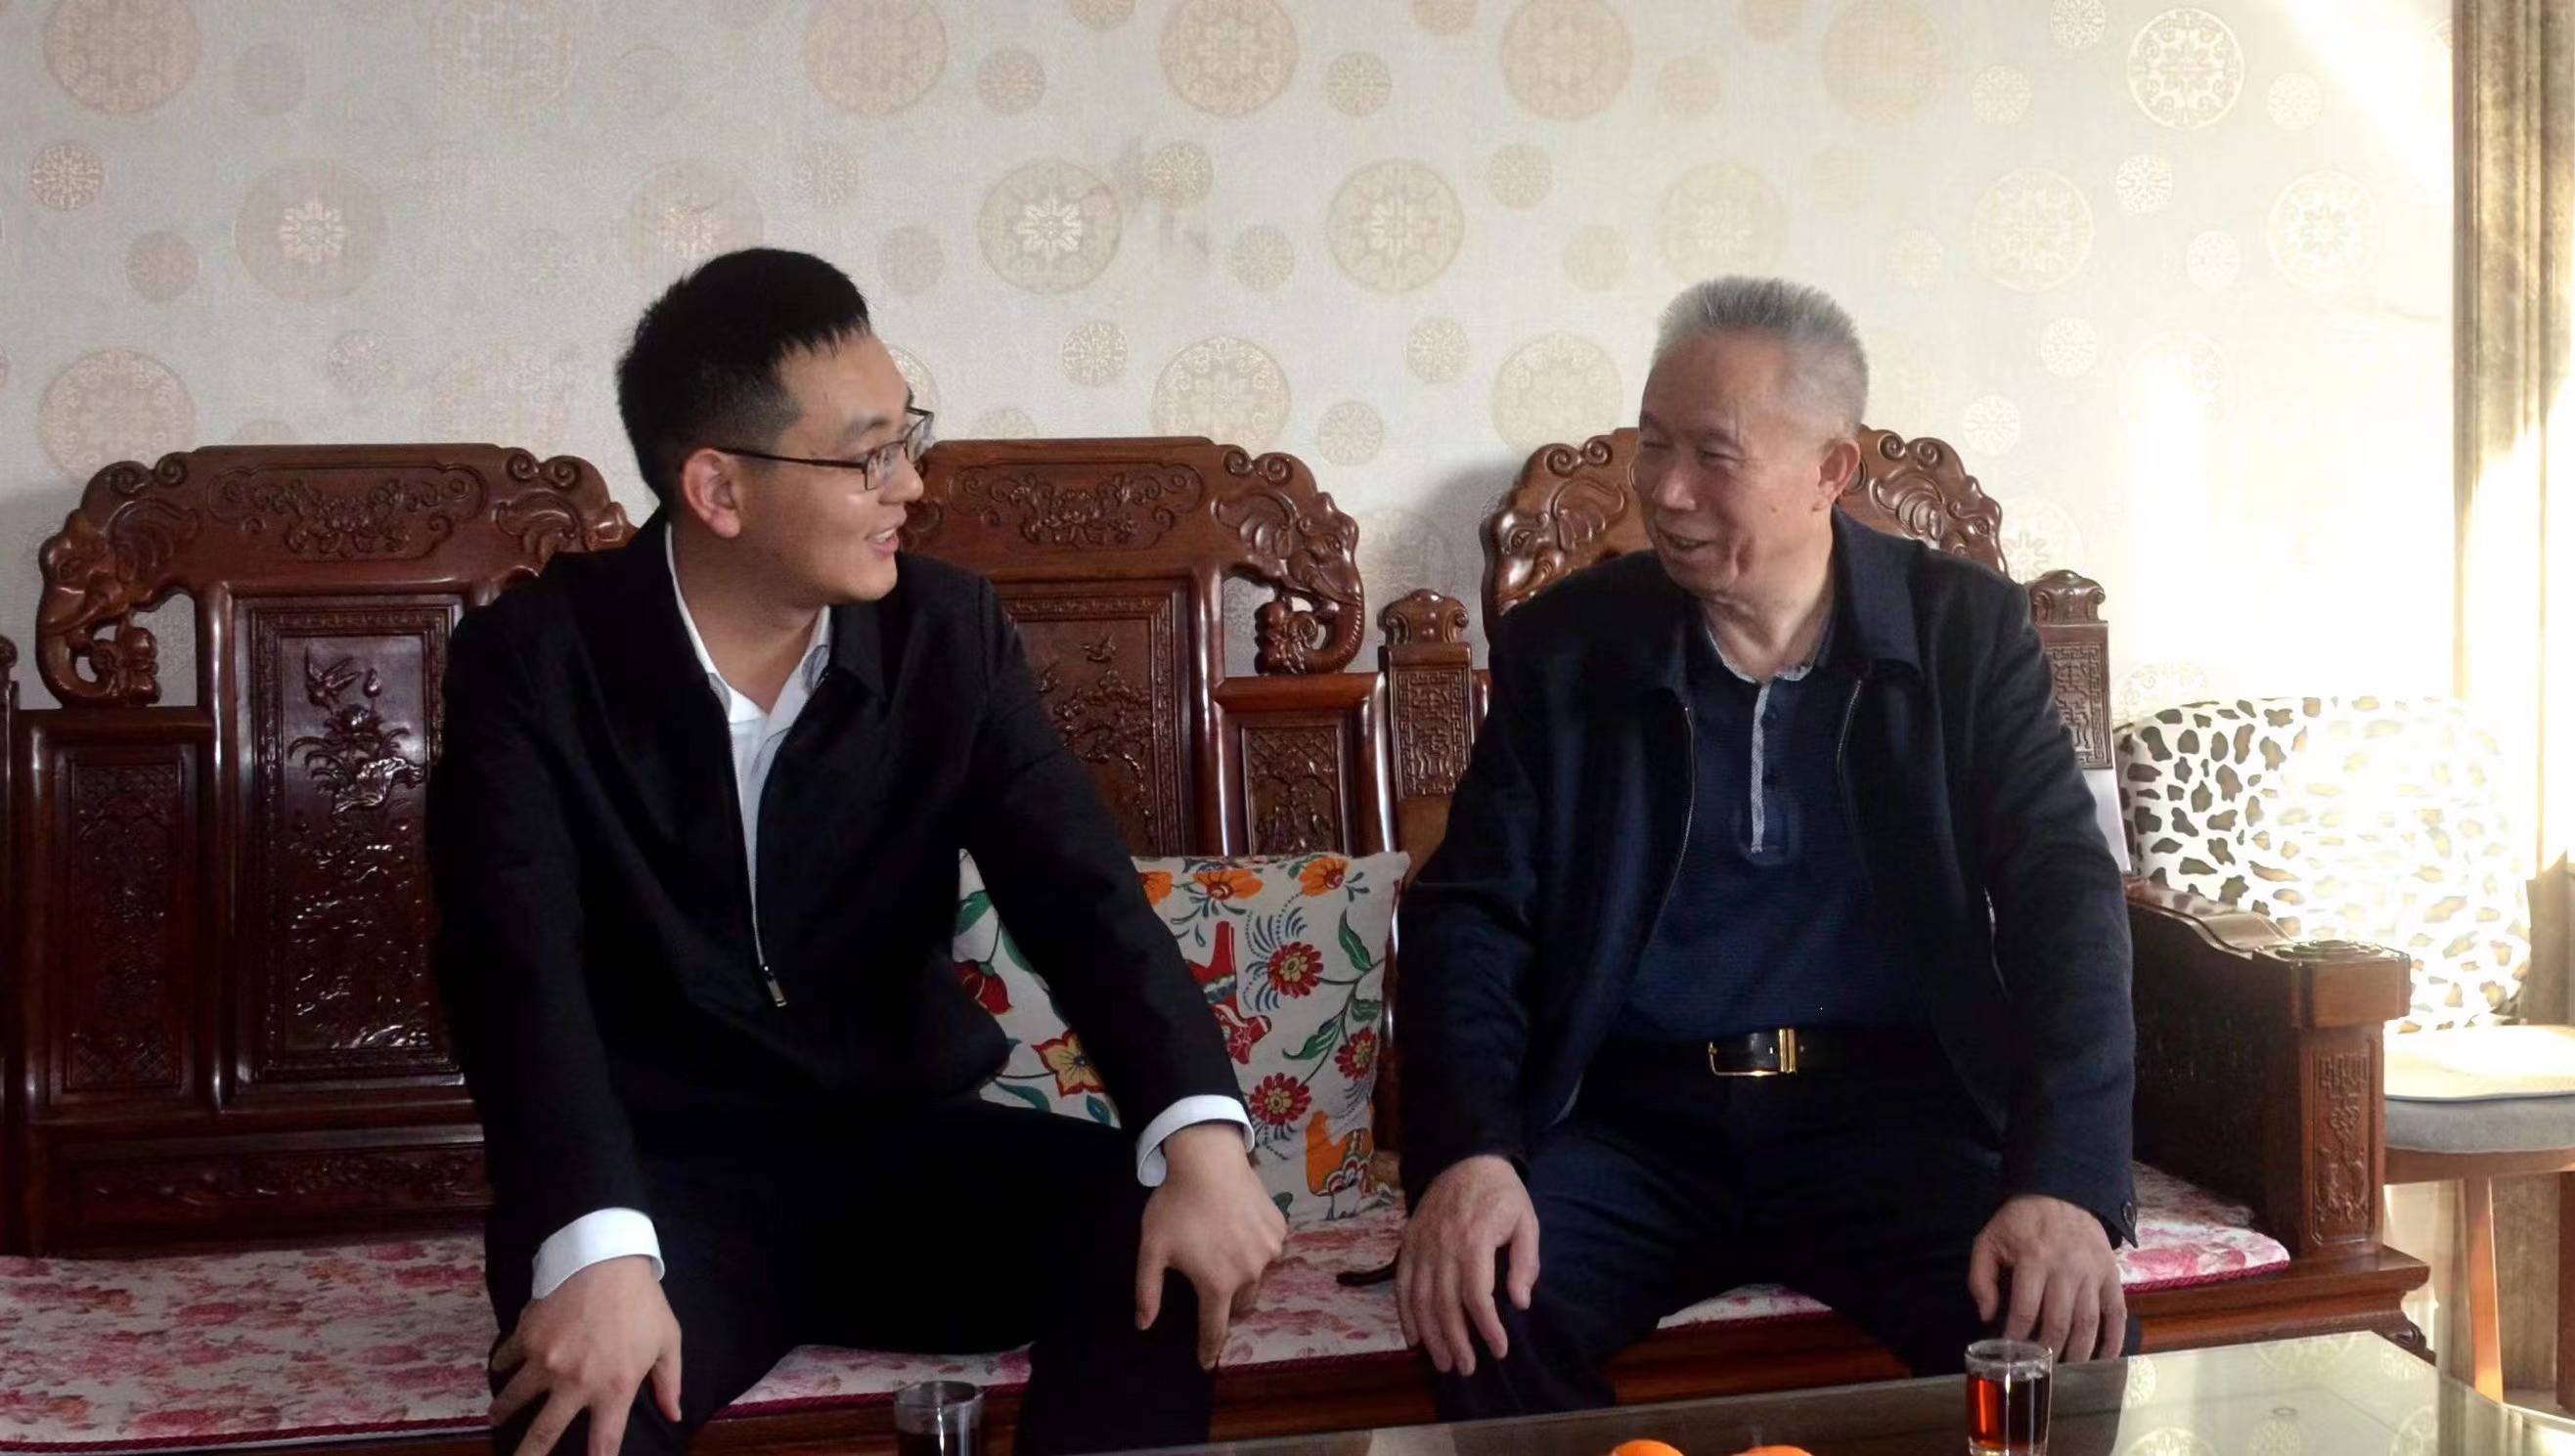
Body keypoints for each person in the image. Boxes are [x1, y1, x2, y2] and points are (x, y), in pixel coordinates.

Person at [428, 246, 1284, 1456]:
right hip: (664, 1185)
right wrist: (596, 1244)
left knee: (1162, 1244)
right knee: (583, 1404)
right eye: (869, 456)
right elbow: (516, 970)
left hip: (906, 1157)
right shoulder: (535, 660)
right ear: (719, 489)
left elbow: (1084, 900)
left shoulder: (947, 633)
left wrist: (1199, 1135)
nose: (910, 486)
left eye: (906, 438)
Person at [1391, 276, 2137, 1417]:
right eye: (1651, 444)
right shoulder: (1567, 646)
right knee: (1479, 1312)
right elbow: (1472, 914)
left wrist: (2063, 1181)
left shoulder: (1961, 630)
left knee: (2054, 1334)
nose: (1663, 489)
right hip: (1635, 1129)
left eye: (1712, 454)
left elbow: (2062, 899)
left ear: (1831, 468)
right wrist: (1470, 1155)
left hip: (1890, 1122)